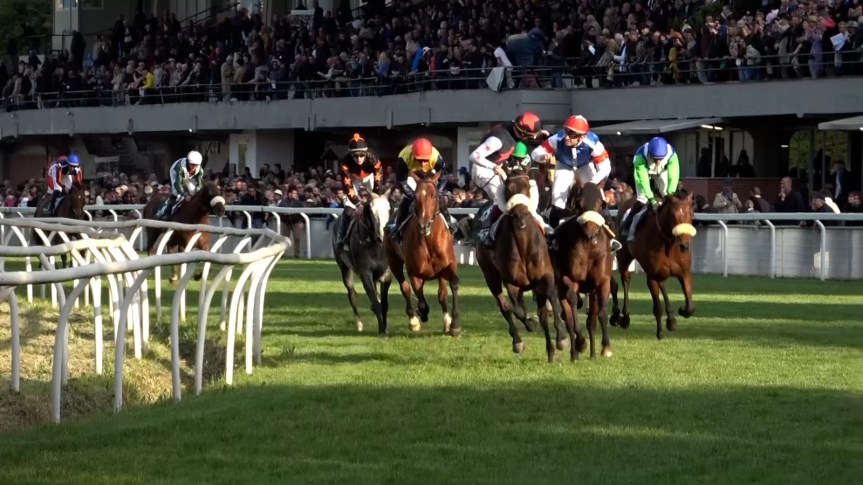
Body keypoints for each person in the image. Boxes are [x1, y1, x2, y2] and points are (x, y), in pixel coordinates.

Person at [469, 111, 549, 248]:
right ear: (522, 133)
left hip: (497, 167)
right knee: (503, 200)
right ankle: (488, 234)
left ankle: (539, 225)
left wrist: (540, 133)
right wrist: (494, 167)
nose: (532, 138)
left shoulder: (514, 126)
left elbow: (528, 132)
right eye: (530, 136)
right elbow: (474, 156)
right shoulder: (497, 141)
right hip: (483, 169)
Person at [530, 114, 612, 228]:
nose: (567, 137)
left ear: (582, 137)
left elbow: (605, 167)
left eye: (572, 134)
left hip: (585, 167)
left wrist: (592, 183)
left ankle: (610, 229)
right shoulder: (557, 138)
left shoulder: (593, 143)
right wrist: (542, 156)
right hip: (564, 167)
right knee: (557, 202)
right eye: (566, 132)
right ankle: (553, 232)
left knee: (598, 197)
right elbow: (535, 153)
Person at [389, 137, 455, 242]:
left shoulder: (436, 157)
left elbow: (444, 178)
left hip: (430, 175)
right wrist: (414, 196)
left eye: (425, 160)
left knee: (440, 199)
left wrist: (437, 194)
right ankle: (397, 227)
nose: (423, 164)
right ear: (413, 155)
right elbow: (401, 182)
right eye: (419, 160)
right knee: (406, 200)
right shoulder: (404, 157)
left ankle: (449, 224)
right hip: (411, 175)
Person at [619, 136, 680, 241]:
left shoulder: (672, 155)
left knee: (667, 196)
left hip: (662, 171)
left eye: (660, 159)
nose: (658, 161)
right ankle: (627, 224)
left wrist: (670, 194)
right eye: (655, 159)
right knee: (642, 199)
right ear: (650, 154)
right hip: (644, 171)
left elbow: (673, 177)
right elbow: (643, 181)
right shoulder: (640, 157)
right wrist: (652, 199)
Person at [335, 133, 384, 250]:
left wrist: (376, 193)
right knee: (349, 206)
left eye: (362, 155)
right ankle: (341, 236)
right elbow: (348, 185)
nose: (359, 159)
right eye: (355, 156)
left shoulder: (373, 157)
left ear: (366, 153)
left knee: (378, 205)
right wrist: (357, 203)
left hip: (370, 176)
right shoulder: (344, 162)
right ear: (350, 154)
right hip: (354, 178)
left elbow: (378, 178)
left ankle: (385, 233)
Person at [158, 150, 205, 219]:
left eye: (196, 165)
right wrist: (185, 195)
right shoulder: (181, 167)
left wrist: (196, 193)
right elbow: (178, 185)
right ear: (188, 162)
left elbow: (199, 185)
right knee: (176, 192)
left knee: (192, 190)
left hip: (187, 175)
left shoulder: (200, 170)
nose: (193, 167)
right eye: (191, 164)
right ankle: (166, 211)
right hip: (175, 171)